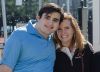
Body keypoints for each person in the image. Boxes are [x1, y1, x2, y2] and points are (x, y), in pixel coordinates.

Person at [0, 3, 64, 72]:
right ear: (38, 18)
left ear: (58, 24)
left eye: (55, 20)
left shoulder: (53, 40)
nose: (50, 23)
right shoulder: (19, 35)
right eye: (47, 17)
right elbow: (5, 69)